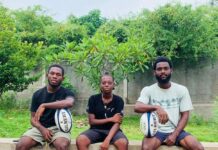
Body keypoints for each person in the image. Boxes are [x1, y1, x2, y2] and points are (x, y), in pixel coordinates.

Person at [134, 56, 204, 150]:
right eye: (159, 69)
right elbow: (137, 107)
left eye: (166, 68)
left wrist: (174, 135)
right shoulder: (148, 90)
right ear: (154, 72)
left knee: (198, 148)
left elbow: (185, 115)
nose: (163, 71)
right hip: (156, 131)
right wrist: (157, 107)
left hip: (176, 130)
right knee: (146, 148)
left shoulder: (181, 90)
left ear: (171, 70)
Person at [16, 64, 75, 150]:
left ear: (63, 78)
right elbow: (33, 119)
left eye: (58, 74)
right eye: (52, 73)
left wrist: (44, 105)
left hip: (60, 128)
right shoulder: (37, 94)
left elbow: (69, 103)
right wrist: (42, 129)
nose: (54, 76)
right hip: (40, 128)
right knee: (21, 145)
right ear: (47, 75)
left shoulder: (67, 92)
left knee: (62, 145)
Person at [76, 73, 128, 150]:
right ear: (100, 85)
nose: (106, 85)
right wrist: (110, 119)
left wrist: (107, 139)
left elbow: (117, 123)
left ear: (113, 85)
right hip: (95, 130)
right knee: (80, 140)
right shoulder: (93, 99)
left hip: (113, 131)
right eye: (103, 83)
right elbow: (92, 121)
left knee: (123, 143)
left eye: (109, 83)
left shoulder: (118, 100)